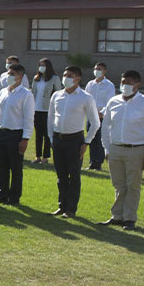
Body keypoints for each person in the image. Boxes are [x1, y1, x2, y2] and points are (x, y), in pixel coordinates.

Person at [99, 70, 144, 230]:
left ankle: (129, 218)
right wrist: (107, 148)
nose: (125, 86)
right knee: (119, 184)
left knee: (133, 185)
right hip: (115, 148)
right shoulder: (113, 101)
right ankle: (117, 216)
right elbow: (106, 126)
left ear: (137, 85)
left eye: (128, 83)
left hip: (136, 149)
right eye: (123, 82)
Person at [49, 66, 100, 219]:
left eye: (70, 75)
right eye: (65, 75)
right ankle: (61, 205)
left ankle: (71, 209)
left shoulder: (85, 97)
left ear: (78, 78)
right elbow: (51, 118)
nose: (66, 78)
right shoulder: (57, 95)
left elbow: (95, 123)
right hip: (58, 139)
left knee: (74, 175)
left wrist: (87, 142)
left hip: (75, 140)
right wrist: (52, 138)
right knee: (61, 175)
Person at [0, 63, 35, 205]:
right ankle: (2, 194)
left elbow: (28, 118)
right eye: (8, 74)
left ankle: (14, 197)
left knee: (15, 167)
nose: (9, 77)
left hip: (15, 135)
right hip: (0, 133)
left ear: (20, 77)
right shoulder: (3, 91)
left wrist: (25, 138)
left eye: (12, 74)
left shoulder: (26, 94)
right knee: (1, 166)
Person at [84, 63, 115, 170]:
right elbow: (86, 98)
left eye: (99, 69)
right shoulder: (90, 84)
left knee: (100, 140)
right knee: (91, 138)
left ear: (104, 71)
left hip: (102, 116)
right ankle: (92, 162)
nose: (97, 71)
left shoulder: (109, 85)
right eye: (96, 69)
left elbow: (110, 101)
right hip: (91, 116)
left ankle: (99, 162)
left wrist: (102, 112)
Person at [32, 58, 62, 164]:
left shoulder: (54, 78)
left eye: (43, 65)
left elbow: (58, 93)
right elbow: (33, 93)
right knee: (38, 134)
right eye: (40, 65)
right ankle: (38, 156)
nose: (41, 67)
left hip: (47, 110)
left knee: (47, 134)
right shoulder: (36, 79)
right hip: (37, 109)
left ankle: (45, 156)